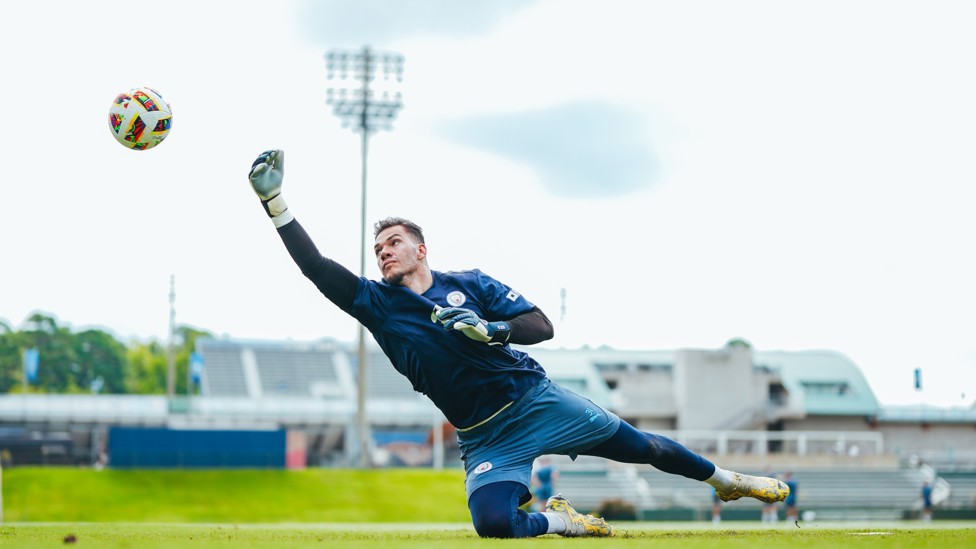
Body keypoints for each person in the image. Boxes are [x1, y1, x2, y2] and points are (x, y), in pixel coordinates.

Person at [247, 149, 790, 538]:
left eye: (394, 243)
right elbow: (317, 269)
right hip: (484, 436)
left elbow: (540, 324)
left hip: (536, 401)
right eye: (378, 247)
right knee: (494, 525)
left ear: (421, 250)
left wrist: (495, 330)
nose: (383, 252)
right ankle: (562, 521)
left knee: (642, 448)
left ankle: (727, 481)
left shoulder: (471, 284)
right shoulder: (377, 303)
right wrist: (275, 202)